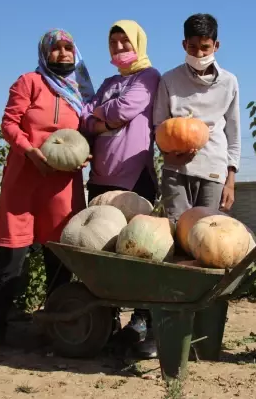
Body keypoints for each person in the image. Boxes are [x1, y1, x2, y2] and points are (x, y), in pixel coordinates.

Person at [0, 29, 95, 344]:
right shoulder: (29, 82)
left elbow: (87, 132)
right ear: (44, 53)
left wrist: (85, 154)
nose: (62, 53)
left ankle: (54, 324)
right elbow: (9, 123)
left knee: (59, 258)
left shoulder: (81, 92)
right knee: (12, 257)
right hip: (24, 179)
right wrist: (30, 151)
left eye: (68, 48)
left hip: (62, 185)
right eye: (56, 48)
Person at [80, 20, 160, 358]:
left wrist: (103, 117)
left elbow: (126, 108)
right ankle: (109, 321)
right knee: (101, 252)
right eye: (113, 43)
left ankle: (143, 322)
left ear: (138, 44)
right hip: (100, 175)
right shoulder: (110, 81)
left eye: (125, 42)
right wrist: (101, 118)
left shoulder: (149, 77)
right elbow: (84, 117)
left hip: (133, 176)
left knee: (138, 253)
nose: (119, 48)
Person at [153, 13, 241, 223]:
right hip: (175, 170)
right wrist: (169, 155)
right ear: (184, 44)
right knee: (177, 229)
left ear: (216, 46)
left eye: (205, 47)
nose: (199, 54)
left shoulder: (229, 82)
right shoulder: (169, 80)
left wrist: (230, 181)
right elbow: (159, 126)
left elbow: (233, 134)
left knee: (206, 231)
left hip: (213, 170)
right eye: (193, 47)